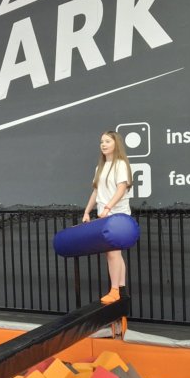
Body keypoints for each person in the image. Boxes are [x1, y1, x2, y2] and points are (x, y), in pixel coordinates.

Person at [81, 130, 133, 305]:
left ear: (116, 144)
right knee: (113, 253)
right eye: (101, 141)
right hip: (105, 215)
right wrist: (87, 211)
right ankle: (120, 289)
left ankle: (115, 290)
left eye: (107, 141)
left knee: (113, 253)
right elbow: (96, 192)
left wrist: (108, 207)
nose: (103, 144)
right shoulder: (100, 167)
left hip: (118, 216)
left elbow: (121, 189)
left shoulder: (121, 164)